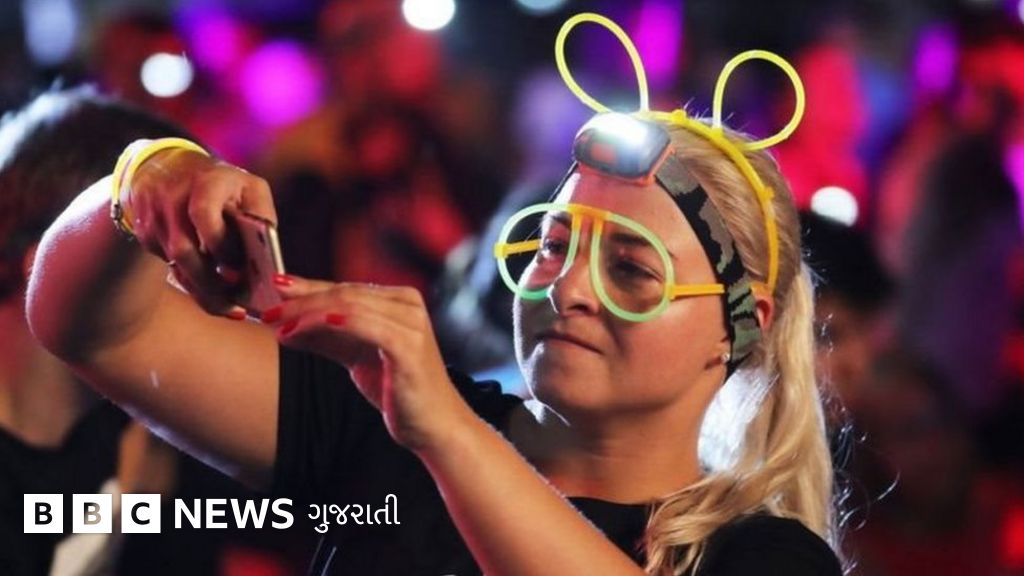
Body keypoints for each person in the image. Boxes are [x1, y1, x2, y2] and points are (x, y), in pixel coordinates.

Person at [26, 15, 843, 575]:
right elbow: (90, 328)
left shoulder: (760, 556)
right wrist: (145, 181)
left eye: (631, 271)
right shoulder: (388, 427)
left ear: (740, 327)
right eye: (553, 245)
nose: (568, 288)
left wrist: (448, 432)